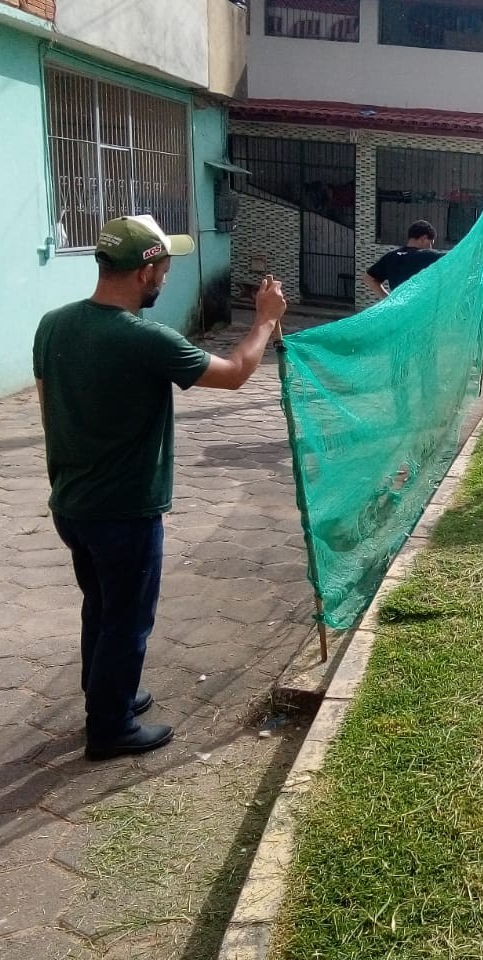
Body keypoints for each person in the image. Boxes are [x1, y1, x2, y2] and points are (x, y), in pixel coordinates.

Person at [33, 214, 288, 761]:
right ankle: (111, 727)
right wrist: (265, 321)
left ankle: (108, 692)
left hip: (72, 504)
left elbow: (46, 402)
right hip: (124, 510)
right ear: (145, 269)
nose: (169, 276)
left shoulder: (54, 324)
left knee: (100, 607)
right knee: (127, 619)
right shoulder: (144, 339)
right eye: (165, 267)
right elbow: (236, 373)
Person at [361, 220, 446, 300]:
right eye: (431, 243)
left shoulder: (390, 257)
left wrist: (388, 300)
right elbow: (455, 260)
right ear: (423, 238)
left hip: (399, 309)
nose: (431, 247)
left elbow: (368, 279)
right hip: (421, 309)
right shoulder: (429, 256)